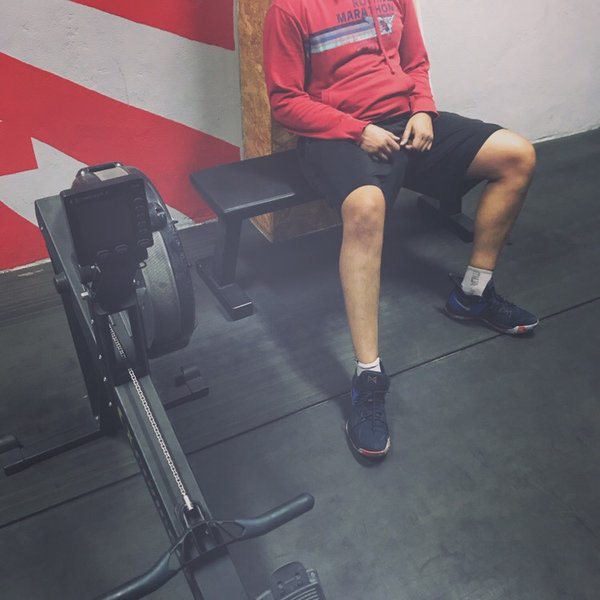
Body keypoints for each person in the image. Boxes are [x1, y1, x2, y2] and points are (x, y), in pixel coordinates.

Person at [263, 0, 538, 458]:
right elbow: (285, 101)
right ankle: (368, 376)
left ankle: (473, 295)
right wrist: (357, 130)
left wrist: (424, 110)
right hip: (340, 134)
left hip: (407, 123)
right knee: (367, 207)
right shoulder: (289, 9)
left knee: (516, 155)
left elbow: (415, 63)